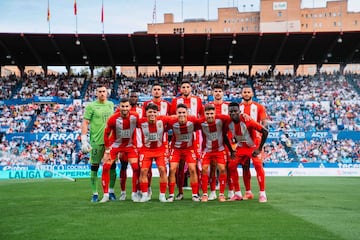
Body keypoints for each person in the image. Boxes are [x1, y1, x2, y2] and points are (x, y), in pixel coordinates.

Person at [100, 98, 140, 203]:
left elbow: (142, 127)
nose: (125, 108)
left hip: (130, 145)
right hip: (116, 145)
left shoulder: (135, 116)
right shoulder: (113, 119)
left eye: (127, 106)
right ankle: (105, 195)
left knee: (136, 168)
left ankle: (134, 194)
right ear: (119, 107)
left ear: (130, 107)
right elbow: (106, 134)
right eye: (122, 106)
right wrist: (107, 150)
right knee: (106, 167)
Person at [227, 102, 269, 203]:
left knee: (258, 164)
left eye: (235, 111)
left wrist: (259, 149)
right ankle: (238, 194)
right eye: (231, 112)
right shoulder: (228, 122)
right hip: (241, 147)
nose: (233, 113)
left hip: (253, 146)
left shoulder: (247, 120)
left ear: (239, 112)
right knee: (231, 165)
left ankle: (262, 194)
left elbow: (265, 131)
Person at [170, 80, 204, 200]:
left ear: (191, 88)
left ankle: (197, 192)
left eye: (187, 87)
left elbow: (202, 116)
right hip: (178, 136)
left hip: (194, 137)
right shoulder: (175, 101)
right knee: (179, 167)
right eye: (183, 87)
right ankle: (179, 192)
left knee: (195, 166)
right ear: (180, 89)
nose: (185, 89)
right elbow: (171, 117)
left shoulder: (198, 100)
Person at [81, 85, 115, 202]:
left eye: (104, 91)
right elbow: (85, 122)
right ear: (96, 93)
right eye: (99, 91)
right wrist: (84, 139)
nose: (102, 93)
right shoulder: (91, 106)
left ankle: (111, 191)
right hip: (96, 142)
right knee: (94, 167)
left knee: (112, 167)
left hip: (110, 142)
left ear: (107, 93)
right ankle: (95, 193)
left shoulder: (111, 105)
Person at [197, 104, 232, 202]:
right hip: (207, 150)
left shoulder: (221, 119)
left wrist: (243, 116)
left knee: (222, 168)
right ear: (204, 114)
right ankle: (205, 194)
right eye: (207, 114)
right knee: (204, 169)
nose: (209, 116)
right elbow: (191, 122)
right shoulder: (201, 122)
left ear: (215, 113)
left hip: (220, 150)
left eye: (211, 113)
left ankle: (221, 194)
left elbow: (232, 118)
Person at [238, 84, 268, 200]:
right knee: (245, 167)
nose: (246, 94)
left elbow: (264, 123)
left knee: (258, 165)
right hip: (243, 142)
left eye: (248, 92)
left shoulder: (259, 107)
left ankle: (262, 193)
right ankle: (248, 192)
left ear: (252, 94)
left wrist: (260, 133)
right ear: (241, 94)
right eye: (244, 92)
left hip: (255, 142)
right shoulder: (238, 108)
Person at [137, 103, 171, 202]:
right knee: (143, 171)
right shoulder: (140, 122)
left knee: (162, 170)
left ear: (158, 113)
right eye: (150, 112)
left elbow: (175, 118)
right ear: (146, 113)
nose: (152, 114)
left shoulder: (163, 120)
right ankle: (144, 194)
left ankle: (162, 195)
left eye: (154, 112)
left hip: (160, 150)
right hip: (146, 150)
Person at [142, 84, 171, 198]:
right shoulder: (145, 104)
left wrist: (166, 130)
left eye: (159, 89)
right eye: (155, 89)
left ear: (162, 91)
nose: (157, 91)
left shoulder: (167, 105)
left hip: (162, 143)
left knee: (162, 169)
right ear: (151, 91)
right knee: (145, 170)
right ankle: (147, 190)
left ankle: (163, 194)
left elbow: (172, 120)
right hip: (147, 144)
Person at [167, 103, 200, 202]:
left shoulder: (193, 120)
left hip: (189, 149)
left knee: (192, 169)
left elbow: (203, 122)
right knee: (173, 169)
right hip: (176, 149)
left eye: (183, 112)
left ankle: (195, 194)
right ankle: (172, 194)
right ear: (176, 113)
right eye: (179, 113)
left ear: (187, 113)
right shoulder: (172, 121)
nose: (181, 114)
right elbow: (160, 119)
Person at [117, 92, 143, 201]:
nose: (133, 98)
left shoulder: (141, 111)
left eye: (135, 97)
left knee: (136, 169)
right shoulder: (120, 112)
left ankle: (135, 191)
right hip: (123, 144)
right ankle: (123, 192)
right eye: (131, 97)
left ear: (138, 99)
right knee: (123, 167)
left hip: (137, 144)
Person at [207, 83, 231, 200]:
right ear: (212, 93)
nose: (217, 93)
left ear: (223, 93)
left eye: (219, 91)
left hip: (227, 140)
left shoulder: (228, 106)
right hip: (212, 141)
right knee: (212, 167)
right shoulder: (207, 106)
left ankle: (231, 190)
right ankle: (212, 191)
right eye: (215, 91)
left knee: (228, 166)